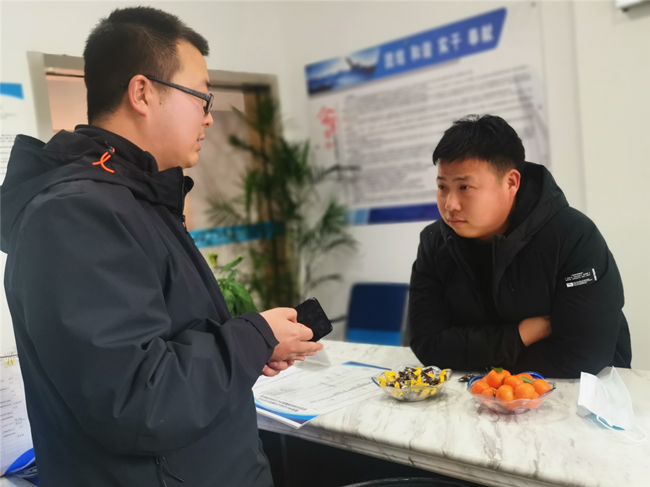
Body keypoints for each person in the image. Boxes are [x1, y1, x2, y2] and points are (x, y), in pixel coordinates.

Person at [0, 7, 321, 486]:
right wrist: (252, 337)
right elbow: (137, 400)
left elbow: (167, 342)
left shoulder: (137, 199)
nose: (209, 118)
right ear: (143, 92)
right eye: (203, 98)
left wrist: (252, 348)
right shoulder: (76, 215)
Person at [407, 115, 631, 378]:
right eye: (442, 187)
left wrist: (473, 354)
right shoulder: (434, 241)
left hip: (584, 394)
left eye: (464, 187)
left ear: (511, 183)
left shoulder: (573, 236)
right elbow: (427, 345)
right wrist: (521, 335)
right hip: (475, 394)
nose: (450, 204)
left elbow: (582, 358)